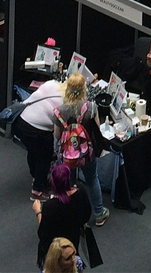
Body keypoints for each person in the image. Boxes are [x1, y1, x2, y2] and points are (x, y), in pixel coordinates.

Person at [51, 73, 108, 226]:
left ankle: (70, 214)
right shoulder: (91, 107)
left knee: (68, 183)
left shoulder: (59, 111)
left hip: (67, 157)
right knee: (92, 179)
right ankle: (99, 214)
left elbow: (57, 135)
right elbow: (97, 130)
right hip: (86, 154)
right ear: (84, 89)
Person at [34, 165, 92, 269]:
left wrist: (38, 211)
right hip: (74, 239)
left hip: (56, 248)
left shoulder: (50, 206)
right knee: (73, 262)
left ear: (53, 182)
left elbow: (43, 233)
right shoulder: (80, 192)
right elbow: (86, 215)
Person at [15, 79, 65, 199]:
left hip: (21, 122)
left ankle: (36, 178)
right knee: (44, 158)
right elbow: (58, 132)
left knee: (32, 151)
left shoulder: (52, 83)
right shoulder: (65, 104)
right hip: (38, 131)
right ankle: (37, 190)